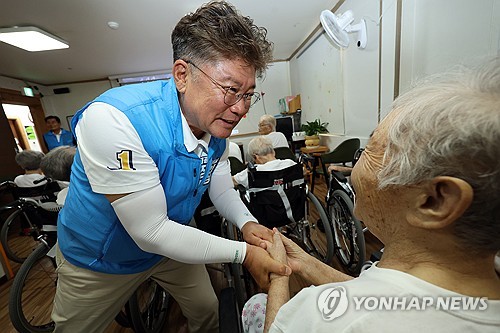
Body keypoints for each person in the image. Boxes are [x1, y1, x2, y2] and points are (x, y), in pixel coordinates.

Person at [52, 2, 290, 332]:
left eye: (249, 94)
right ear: (182, 75)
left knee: (209, 311)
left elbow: (218, 185)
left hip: (168, 246)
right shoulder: (114, 119)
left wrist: (246, 222)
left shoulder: (213, 124)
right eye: (231, 90)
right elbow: (150, 231)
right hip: (99, 259)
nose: (241, 109)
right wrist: (245, 254)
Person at [244, 57, 500, 332]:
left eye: (371, 148)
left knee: (254, 306)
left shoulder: (327, 316)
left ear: (434, 201)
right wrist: (306, 263)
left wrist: (280, 276)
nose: (353, 166)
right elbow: (386, 300)